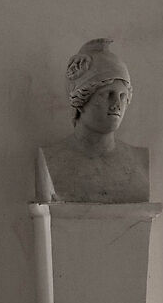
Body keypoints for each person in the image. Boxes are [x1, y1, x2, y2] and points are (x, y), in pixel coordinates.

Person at [37, 38, 149, 203]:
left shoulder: (139, 160)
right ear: (81, 100)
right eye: (107, 94)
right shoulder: (52, 159)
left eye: (122, 96)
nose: (116, 104)